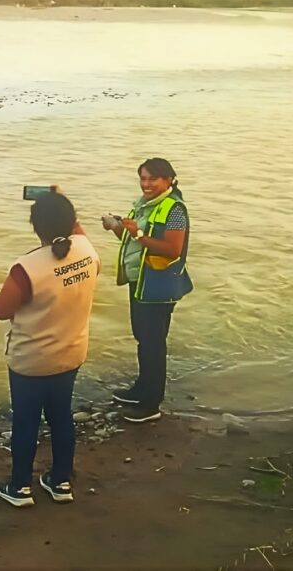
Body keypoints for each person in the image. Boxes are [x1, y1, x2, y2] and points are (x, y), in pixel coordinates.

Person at [0, 190, 100, 507]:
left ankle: (20, 487)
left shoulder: (26, 268)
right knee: (61, 417)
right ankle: (61, 481)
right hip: (71, 353)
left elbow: (1, 309)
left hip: (32, 360)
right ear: (72, 221)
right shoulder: (86, 250)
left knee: (26, 422)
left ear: (35, 227)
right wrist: (63, 202)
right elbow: (76, 232)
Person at [102, 157, 192, 424]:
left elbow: (172, 249)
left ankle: (151, 404)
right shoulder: (143, 205)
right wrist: (119, 228)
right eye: (142, 178)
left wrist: (139, 234)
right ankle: (141, 389)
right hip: (140, 280)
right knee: (143, 338)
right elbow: (136, 241)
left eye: (152, 179)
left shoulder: (174, 209)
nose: (146, 184)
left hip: (158, 285)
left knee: (153, 342)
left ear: (168, 179)